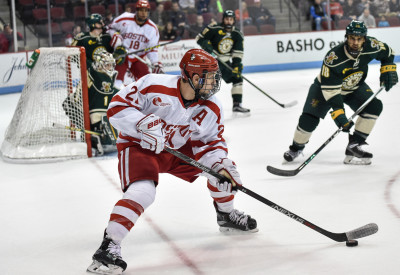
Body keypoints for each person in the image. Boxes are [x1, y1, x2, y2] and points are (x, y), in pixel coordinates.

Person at [86, 49, 258, 274]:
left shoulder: (212, 106)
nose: (216, 83)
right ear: (194, 77)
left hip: (177, 148)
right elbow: (116, 107)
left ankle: (226, 215)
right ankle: (109, 247)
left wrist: (219, 166)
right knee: (143, 192)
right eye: (211, 78)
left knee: (220, 173)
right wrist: (142, 123)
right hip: (140, 145)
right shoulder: (154, 84)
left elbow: (211, 143)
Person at [283, 20, 398, 165]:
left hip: (354, 86)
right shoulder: (334, 58)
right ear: (346, 37)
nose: (355, 42)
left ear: (365, 38)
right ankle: (295, 148)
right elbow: (331, 92)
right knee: (309, 119)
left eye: (359, 39)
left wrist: (388, 69)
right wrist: (339, 113)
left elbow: (388, 53)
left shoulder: (372, 45)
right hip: (324, 88)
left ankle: (354, 145)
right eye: (352, 38)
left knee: (374, 107)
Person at [196, 10, 251, 115]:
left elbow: (237, 53)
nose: (229, 22)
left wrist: (237, 66)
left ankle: (237, 105)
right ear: (223, 20)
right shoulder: (214, 29)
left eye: (231, 19)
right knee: (208, 84)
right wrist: (205, 44)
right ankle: (199, 106)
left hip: (225, 62)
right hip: (210, 62)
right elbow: (199, 38)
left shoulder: (237, 34)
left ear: (234, 20)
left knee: (237, 78)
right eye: (227, 19)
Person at [108, 0, 163, 88]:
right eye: (141, 10)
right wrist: (115, 36)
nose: (143, 13)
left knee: (146, 82)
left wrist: (155, 63)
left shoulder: (152, 28)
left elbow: (152, 49)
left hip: (138, 58)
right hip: (122, 55)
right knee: (117, 81)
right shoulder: (124, 18)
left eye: (146, 11)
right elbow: (109, 28)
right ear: (136, 10)